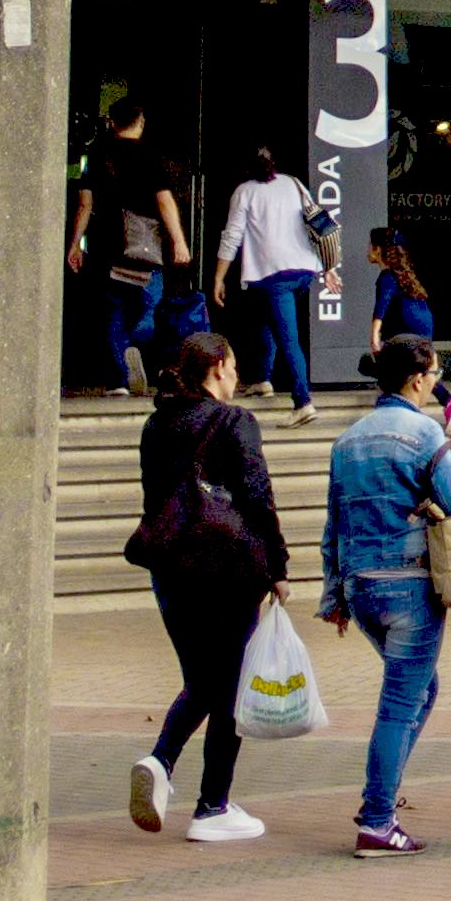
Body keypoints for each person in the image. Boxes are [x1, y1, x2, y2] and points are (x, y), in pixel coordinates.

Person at [133, 328, 286, 844]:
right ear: (217, 366)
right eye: (235, 365)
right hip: (226, 569)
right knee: (227, 687)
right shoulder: (234, 421)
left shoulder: (157, 423)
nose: (239, 375)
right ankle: (211, 805)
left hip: (170, 568)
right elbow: (257, 494)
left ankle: (161, 763)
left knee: (205, 679)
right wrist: (277, 566)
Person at [322, 338, 451, 857]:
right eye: (434, 373)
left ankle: (382, 795)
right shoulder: (425, 432)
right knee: (399, 703)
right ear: (415, 379)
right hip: (409, 585)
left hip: (362, 586)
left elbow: (333, 526)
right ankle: (377, 818)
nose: (436, 382)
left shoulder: (347, 441)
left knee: (420, 690)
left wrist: (334, 595)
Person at [70, 96, 187, 397]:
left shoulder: (95, 155)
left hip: (107, 247)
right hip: (146, 248)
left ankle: (118, 380)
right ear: (140, 122)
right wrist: (178, 241)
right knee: (152, 307)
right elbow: (164, 202)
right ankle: (137, 343)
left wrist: (74, 245)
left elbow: (85, 205)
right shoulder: (150, 156)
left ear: (112, 122)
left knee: (113, 314)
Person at [211, 147, 327, 413]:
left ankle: (303, 402)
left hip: (275, 275)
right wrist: (328, 267)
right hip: (304, 270)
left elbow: (232, 237)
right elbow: (318, 223)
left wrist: (219, 278)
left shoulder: (245, 191)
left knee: (288, 337)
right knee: (267, 319)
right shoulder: (293, 183)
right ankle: (263, 378)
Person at [363, 226, 441, 383]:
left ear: (378, 250)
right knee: (416, 365)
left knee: (382, 364)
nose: (367, 249)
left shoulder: (386, 277)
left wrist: (374, 336)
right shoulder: (403, 274)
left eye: (370, 245)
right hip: (424, 321)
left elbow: (381, 308)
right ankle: (443, 392)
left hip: (406, 326)